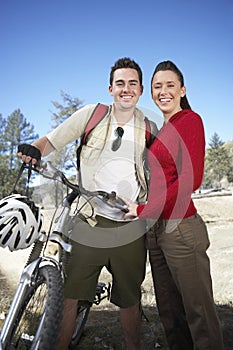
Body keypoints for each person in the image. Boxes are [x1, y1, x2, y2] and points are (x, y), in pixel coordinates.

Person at [17, 57, 158, 350]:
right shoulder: (92, 115)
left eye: (132, 83)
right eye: (120, 83)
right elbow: (52, 140)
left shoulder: (149, 127)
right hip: (88, 221)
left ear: (141, 90)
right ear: (110, 88)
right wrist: (35, 149)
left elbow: (160, 173)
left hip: (130, 226)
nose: (126, 89)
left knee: (130, 299)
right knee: (70, 295)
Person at [124, 60, 224, 349]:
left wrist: (144, 210)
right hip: (155, 232)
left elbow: (190, 180)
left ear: (182, 90)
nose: (163, 91)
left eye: (170, 85)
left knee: (198, 314)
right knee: (170, 315)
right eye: (157, 87)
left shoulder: (190, 120)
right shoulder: (158, 132)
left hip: (181, 229)